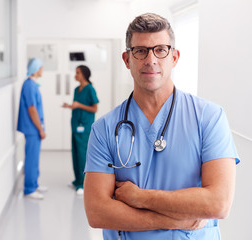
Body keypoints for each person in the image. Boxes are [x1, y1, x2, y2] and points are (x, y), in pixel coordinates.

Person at [84, 13, 240, 239]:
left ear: (174, 57)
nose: (151, 60)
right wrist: (173, 220)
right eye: (140, 51)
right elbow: (97, 212)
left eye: (160, 50)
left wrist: (141, 198)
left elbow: (219, 202)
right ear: (127, 59)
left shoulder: (209, 117)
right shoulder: (105, 129)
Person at [62, 65, 99, 196]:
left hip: (85, 126)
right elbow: (76, 105)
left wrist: (79, 105)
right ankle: (77, 180)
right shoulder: (77, 89)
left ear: (83, 74)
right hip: (75, 124)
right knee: (75, 153)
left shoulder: (90, 89)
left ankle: (83, 184)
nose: (75, 75)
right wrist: (70, 106)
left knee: (83, 154)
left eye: (77, 73)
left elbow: (94, 108)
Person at [17, 57, 48, 200]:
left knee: (34, 158)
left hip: (34, 128)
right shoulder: (29, 85)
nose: (42, 70)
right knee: (31, 159)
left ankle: (34, 184)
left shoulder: (32, 85)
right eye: (40, 67)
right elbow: (32, 109)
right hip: (32, 129)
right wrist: (40, 129)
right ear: (35, 69)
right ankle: (29, 189)